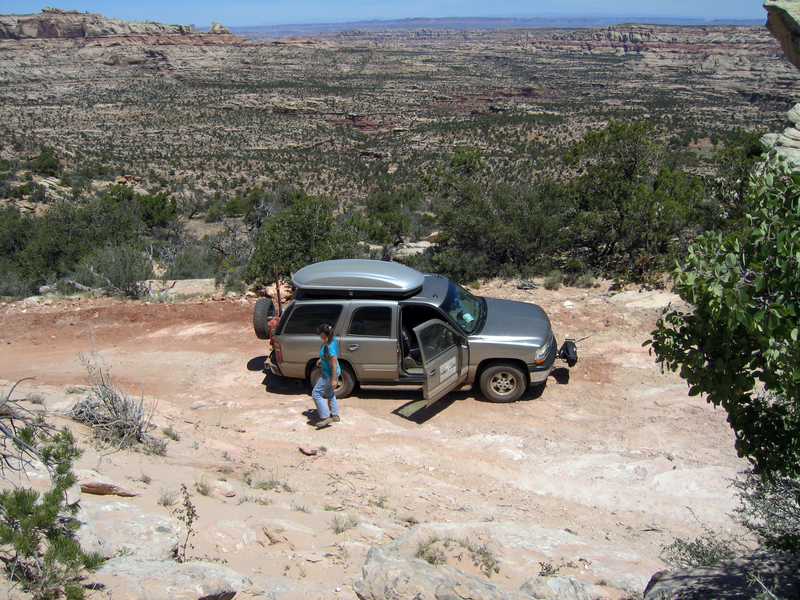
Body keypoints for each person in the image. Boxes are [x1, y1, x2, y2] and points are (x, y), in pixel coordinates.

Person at [313, 323, 340, 428]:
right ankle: (334, 415)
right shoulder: (332, 340)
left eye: (318, 333)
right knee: (329, 393)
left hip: (329, 374)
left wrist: (334, 380)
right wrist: (322, 359)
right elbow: (329, 357)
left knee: (316, 393)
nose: (318, 335)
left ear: (323, 334)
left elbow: (333, 363)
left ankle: (325, 417)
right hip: (332, 371)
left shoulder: (329, 346)